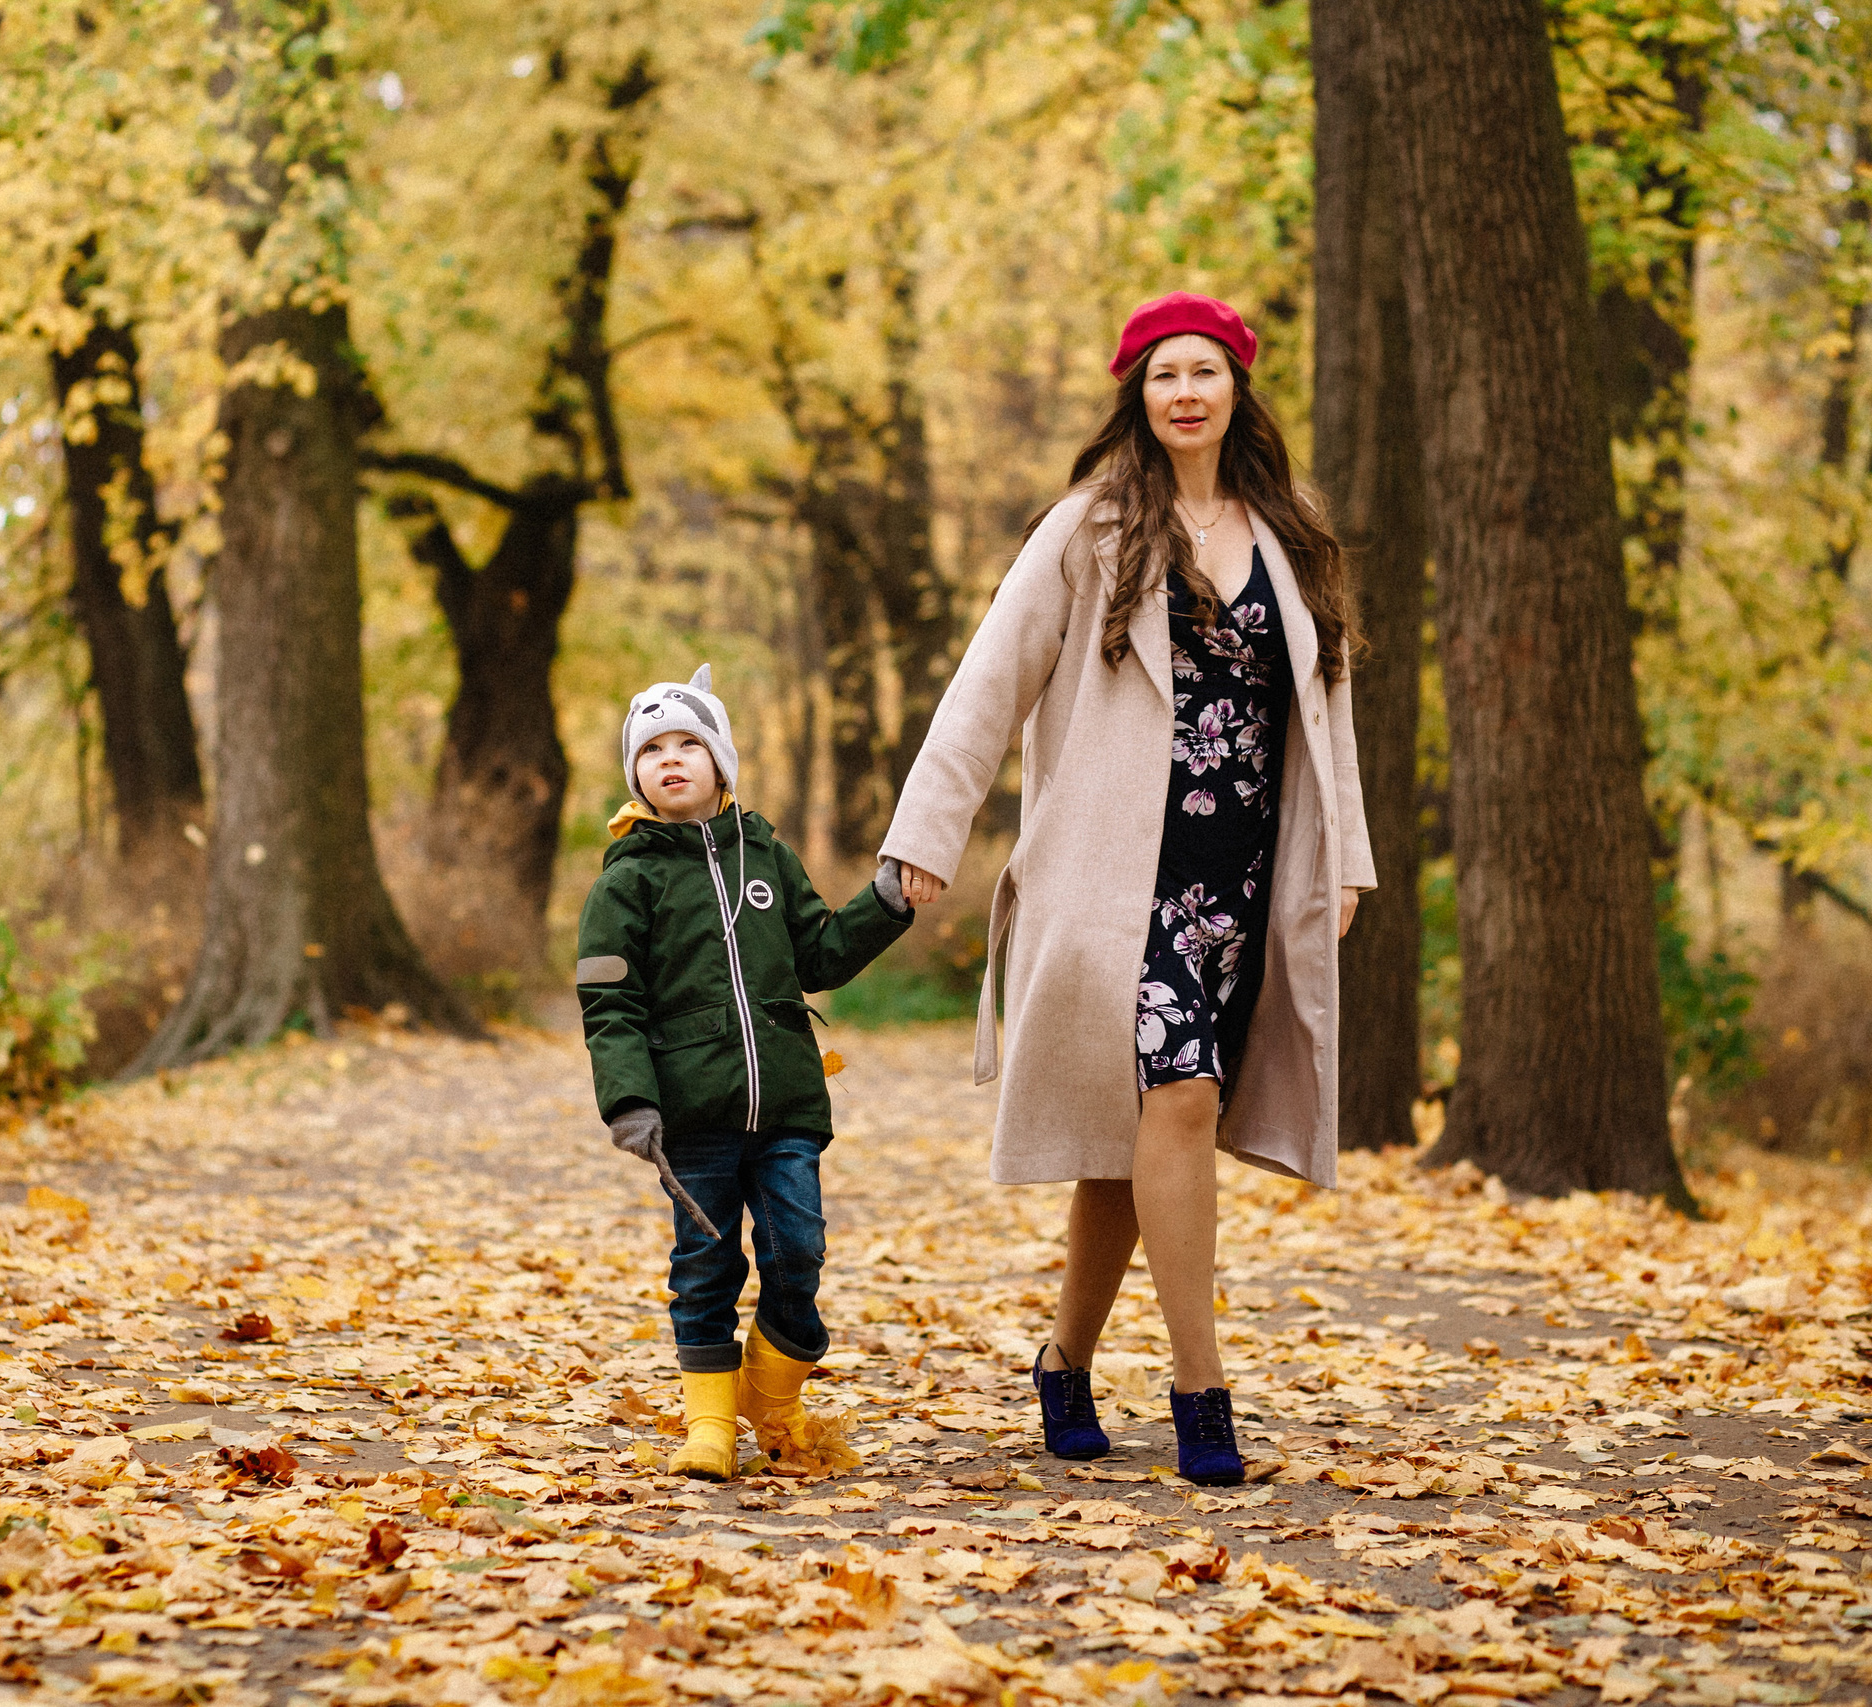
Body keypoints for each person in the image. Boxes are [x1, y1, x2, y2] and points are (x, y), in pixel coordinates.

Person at [878, 292, 1373, 1486]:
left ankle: (1062, 1361)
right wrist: (924, 833)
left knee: (1132, 1138)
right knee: (1185, 1100)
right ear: (1137, 398)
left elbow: (1328, 706)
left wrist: (1342, 858)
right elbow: (988, 682)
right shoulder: (1088, 529)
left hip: (1238, 879)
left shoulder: (1288, 530)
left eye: (1204, 372)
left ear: (1237, 391)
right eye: (1162, 377)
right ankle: (1202, 1390)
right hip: (1115, 877)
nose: (1185, 394)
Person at [576, 666, 915, 1482]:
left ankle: (773, 1394)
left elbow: (822, 953)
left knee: (799, 1248)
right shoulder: (628, 880)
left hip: (787, 1103)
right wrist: (630, 1099)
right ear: (637, 776)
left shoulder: (763, 852)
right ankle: (710, 1423)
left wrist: (886, 900)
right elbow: (609, 1003)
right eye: (651, 748)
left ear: (720, 760)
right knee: (706, 1260)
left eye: (688, 741)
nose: (671, 758)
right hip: (691, 1115)